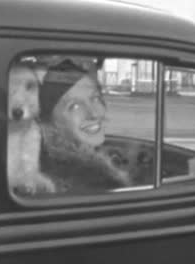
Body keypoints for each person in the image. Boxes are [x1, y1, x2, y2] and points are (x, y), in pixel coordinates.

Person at [38, 60, 133, 194]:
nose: (93, 113)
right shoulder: (96, 182)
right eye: (75, 106)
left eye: (95, 98)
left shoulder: (46, 161)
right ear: (50, 122)